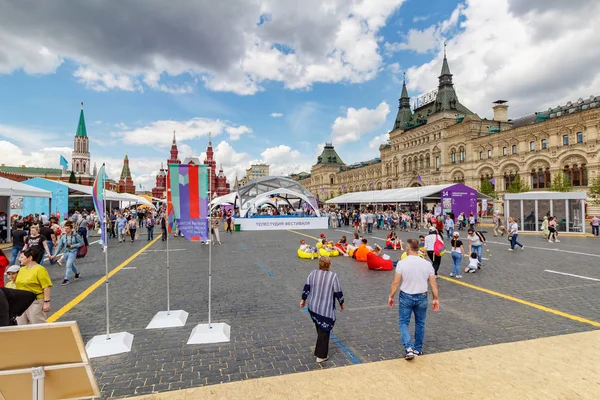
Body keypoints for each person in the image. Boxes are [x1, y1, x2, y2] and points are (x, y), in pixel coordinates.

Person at [388, 239, 439, 360]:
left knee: (404, 323)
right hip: (422, 296)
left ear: (408, 248)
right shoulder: (427, 264)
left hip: (406, 295)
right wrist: (436, 298)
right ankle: (418, 349)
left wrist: (391, 296)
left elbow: (396, 282)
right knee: (420, 323)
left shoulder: (402, 263)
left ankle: (408, 348)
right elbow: (433, 284)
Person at [300, 256, 344, 363]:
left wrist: (303, 299)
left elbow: (306, 287)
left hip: (313, 306)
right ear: (329, 264)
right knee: (324, 330)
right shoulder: (333, 276)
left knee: (320, 326)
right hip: (326, 309)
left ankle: (320, 347)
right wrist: (341, 303)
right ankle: (321, 355)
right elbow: (338, 291)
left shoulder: (313, 273)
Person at [15, 248, 52, 324]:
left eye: (22, 257)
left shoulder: (40, 269)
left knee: (37, 324)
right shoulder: (22, 269)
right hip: (21, 302)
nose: (19, 259)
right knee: (20, 325)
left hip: (35, 301)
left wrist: (46, 302)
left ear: (30, 258)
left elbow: (46, 286)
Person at [50, 221, 84, 286]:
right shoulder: (63, 236)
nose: (66, 230)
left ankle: (66, 279)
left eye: (67, 228)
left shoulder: (76, 235)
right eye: (65, 228)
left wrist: (73, 246)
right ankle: (77, 273)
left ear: (71, 228)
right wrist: (54, 255)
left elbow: (81, 243)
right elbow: (59, 246)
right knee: (71, 264)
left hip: (73, 252)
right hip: (66, 252)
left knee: (68, 265)